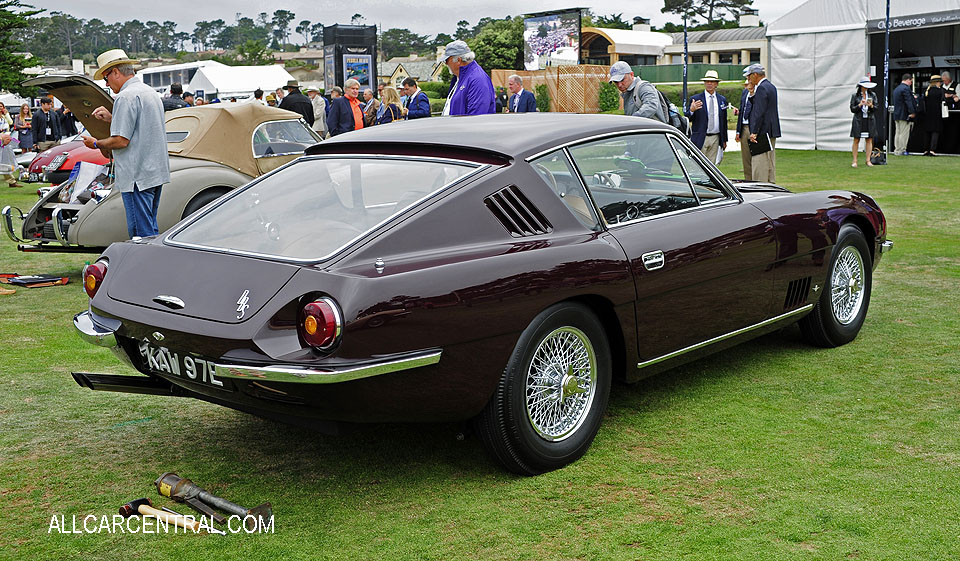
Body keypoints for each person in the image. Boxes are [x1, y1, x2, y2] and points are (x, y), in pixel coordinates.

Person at [81, 49, 170, 238]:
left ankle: (145, 259)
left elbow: (121, 141)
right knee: (150, 228)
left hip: (136, 175)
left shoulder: (125, 96)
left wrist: (96, 143)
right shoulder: (149, 92)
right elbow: (141, 127)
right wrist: (112, 118)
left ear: (115, 72)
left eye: (106, 77)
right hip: (154, 172)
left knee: (140, 234)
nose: (107, 83)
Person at [745, 63, 781, 183]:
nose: (748, 79)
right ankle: (771, 183)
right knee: (770, 160)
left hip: (763, 131)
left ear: (755, 75)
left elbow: (759, 112)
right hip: (772, 130)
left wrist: (754, 132)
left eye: (749, 76)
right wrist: (752, 93)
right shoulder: (771, 86)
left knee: (760, 162)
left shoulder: (761, 88)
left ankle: (760, 185)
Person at [442, 40, 495, 116]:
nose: (446, 63)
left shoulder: (477, 79)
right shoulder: (462, 77)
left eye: (446, 60)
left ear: (458, 60)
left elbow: (476, 117)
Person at [686, 69, 728, 163]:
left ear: (716, 84)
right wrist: (692, 110)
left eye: (712, 82)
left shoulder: (722, 100)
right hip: (701, 137)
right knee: (698, 164)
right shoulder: (696, 99)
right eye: (707, 81)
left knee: (711, 165)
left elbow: (724, 121)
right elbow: (688, 118)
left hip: (715, 138)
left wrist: (724, 140)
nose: (709, 83)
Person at [849, 77, 879, 168]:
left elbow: (876, 108)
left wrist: (871, 105)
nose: (866, 88)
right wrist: (860, 105)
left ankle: (868, 160)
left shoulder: (873, 95)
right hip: (858, 120)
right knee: (856, 139)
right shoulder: (855, 96)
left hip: (869, 119)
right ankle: (855, 160)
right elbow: (852, 109)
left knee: (869, 139)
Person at [734, 72, 754, 180]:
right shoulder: (744, 93)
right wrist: (738, 131)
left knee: (756, 158)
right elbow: (742, 111)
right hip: (744, 128)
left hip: (753, 128)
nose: (747, 86)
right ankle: (748, 180)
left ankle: (757, 180)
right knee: (746, 158)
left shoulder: (758, 92)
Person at [891, 73, 917, 156]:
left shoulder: (896, 89)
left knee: (898, 133)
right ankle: (902, 149)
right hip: (904, 114)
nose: (911, 83)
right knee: (904, 133)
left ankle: (897, 149)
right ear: (908, 80)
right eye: (911, 81)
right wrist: (912, 112)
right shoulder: (906, 89)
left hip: (897, 114)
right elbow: (908, 102)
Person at [920, 75, 944, 156]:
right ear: (937, 82)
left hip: (927, 114)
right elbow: (943, 100)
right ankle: (932, 150)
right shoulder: (940, 91)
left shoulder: (926, 91)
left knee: (927, 132)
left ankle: (925, 149)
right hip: (936, 113)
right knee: (935, 132)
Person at [941, 71, 959, 153]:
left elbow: (957, 98)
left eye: (945, 80)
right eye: (943, 80)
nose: (944, 82)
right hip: (943, 113)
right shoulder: (941, 86)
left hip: (954, 113)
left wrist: (949, 95)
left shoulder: (957, 85)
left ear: (949, 79)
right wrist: (952, 95)